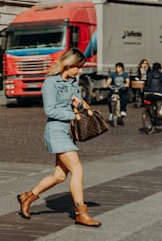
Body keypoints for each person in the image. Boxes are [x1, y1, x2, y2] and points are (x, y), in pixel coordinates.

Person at [17, 48, 100, 227]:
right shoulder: (50, 83)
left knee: (59, 176)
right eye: (78, 67)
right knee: (77, 170)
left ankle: (27, 197)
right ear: (68, 64)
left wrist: (78, 103)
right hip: (56, 131)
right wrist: (72, 116)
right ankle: (81, 213)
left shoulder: (72, 82)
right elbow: (50, 110)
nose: (80, 71)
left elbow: (75, 100)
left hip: (69, 132)